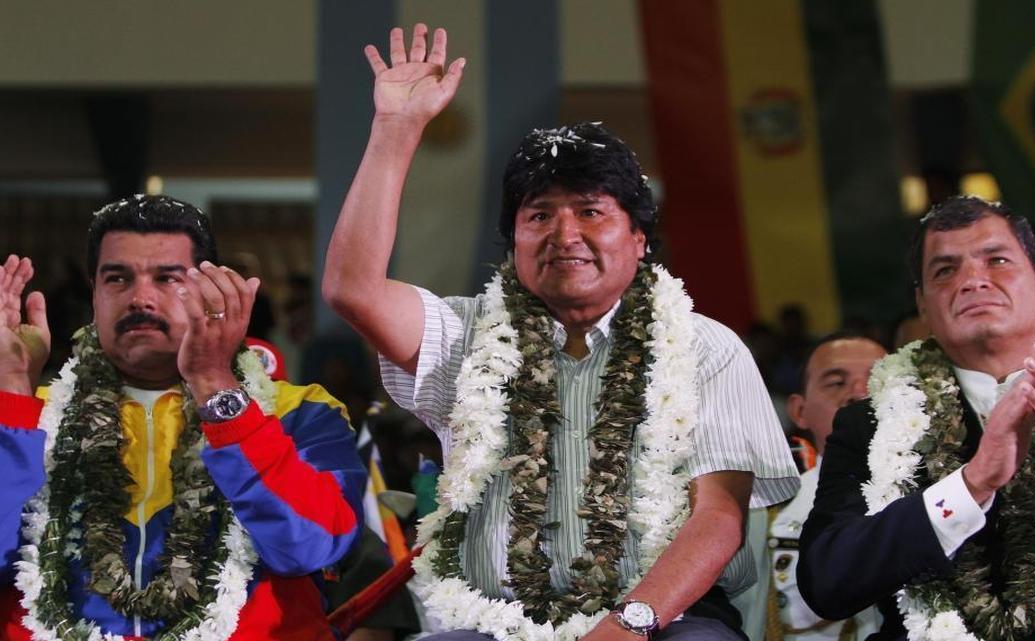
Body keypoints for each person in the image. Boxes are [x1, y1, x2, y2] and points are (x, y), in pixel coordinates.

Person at [322, 23, 799, 641]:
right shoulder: (465, 334)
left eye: (591, 211)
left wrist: (627, 624)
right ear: (514, 241)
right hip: (494, 624)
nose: (564, 234)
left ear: (639, 238)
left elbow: (718, 517)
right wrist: (396, 128)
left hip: (665, 620)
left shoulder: (705, 346)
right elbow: (353, 289)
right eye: (540, 215)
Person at [0, 195, 366, 640]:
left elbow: (311, 547)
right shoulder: (33, 416)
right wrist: (12, 395)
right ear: (94, 294)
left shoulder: (299, 410)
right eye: (117, 278)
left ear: (210, 291)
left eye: (167, 278)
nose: (140, 298)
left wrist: (216, 387)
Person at [799, 195, 1035, 641]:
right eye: (945, 270)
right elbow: (827, 581)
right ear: (923, 306)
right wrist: (972, 483)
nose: (972, 281)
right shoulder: (872, 422)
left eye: (997, 260)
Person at [763, 333, 886, 641]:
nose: (860, 393)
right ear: (799, 411)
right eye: (836, 383)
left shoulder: (948, 493)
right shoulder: (767, 511)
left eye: (878, 379)